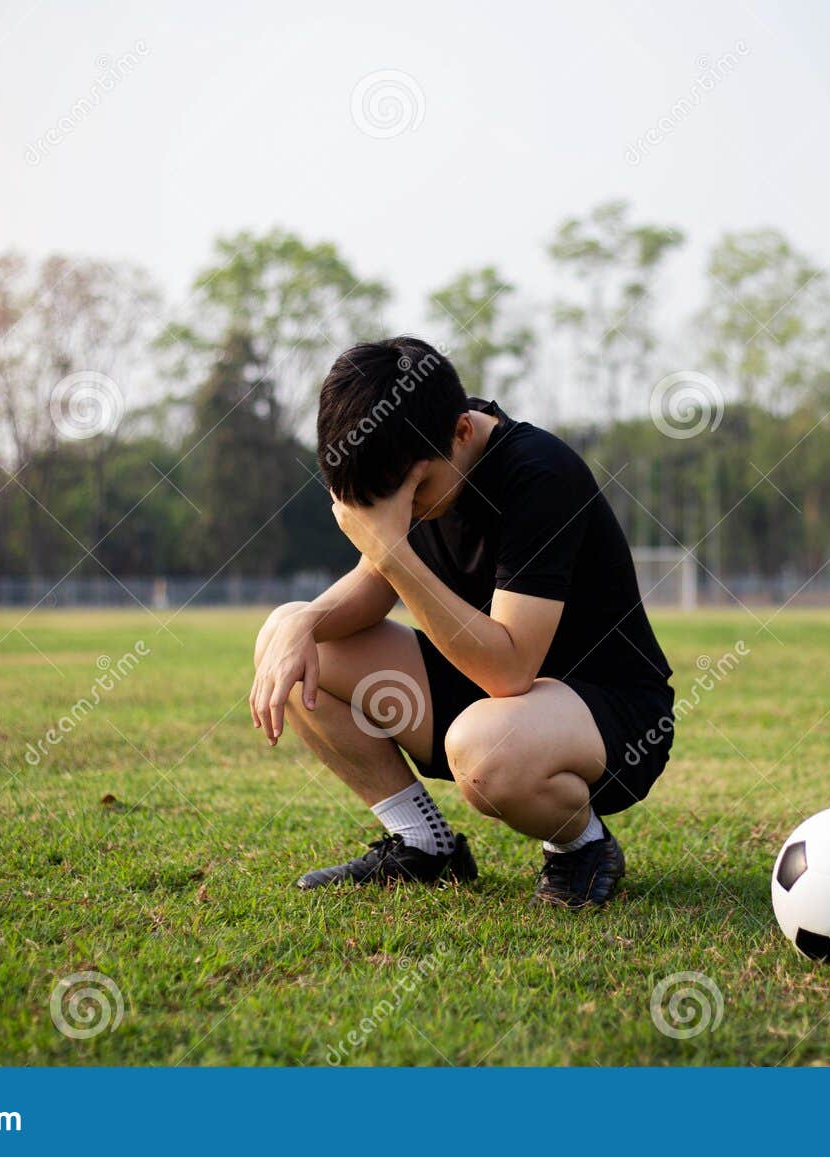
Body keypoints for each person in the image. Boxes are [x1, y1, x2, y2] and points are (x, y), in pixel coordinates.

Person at [249, 337, 675, 908]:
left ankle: (582, 846)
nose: (411, 508)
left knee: (486, 749)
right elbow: (373, 586)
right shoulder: (414, 442)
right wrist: (305, 621)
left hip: (609, 716)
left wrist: (394, 549)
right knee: (291, 633)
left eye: (417, 493)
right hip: (491, 698)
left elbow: (509, 670)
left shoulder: (539, 474)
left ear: (463, 432)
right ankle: (424, 843)